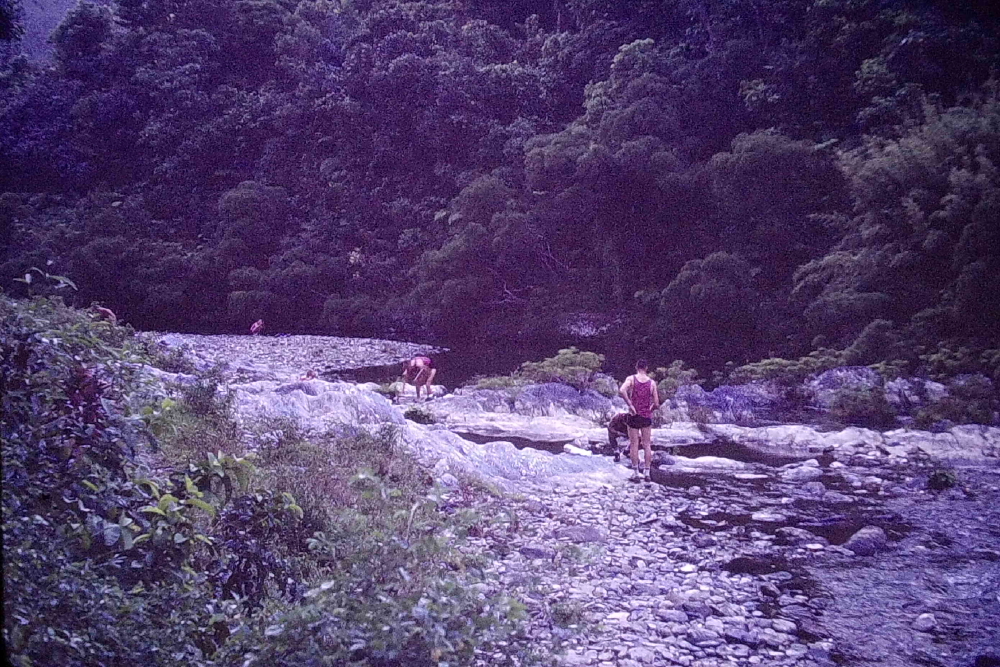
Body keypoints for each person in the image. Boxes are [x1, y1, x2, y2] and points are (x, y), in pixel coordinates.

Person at [619, 359, 660, 480]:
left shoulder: (631, 379)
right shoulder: (652, 383)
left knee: (634, 444)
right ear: (646, 368)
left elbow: (622, 390)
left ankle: (636, 473)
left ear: (636, 367)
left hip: (633, 415)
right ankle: (647, 473)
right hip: (646, 416)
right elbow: (657, 403)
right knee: (647, 445)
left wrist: (630, 405)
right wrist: (649, 410)